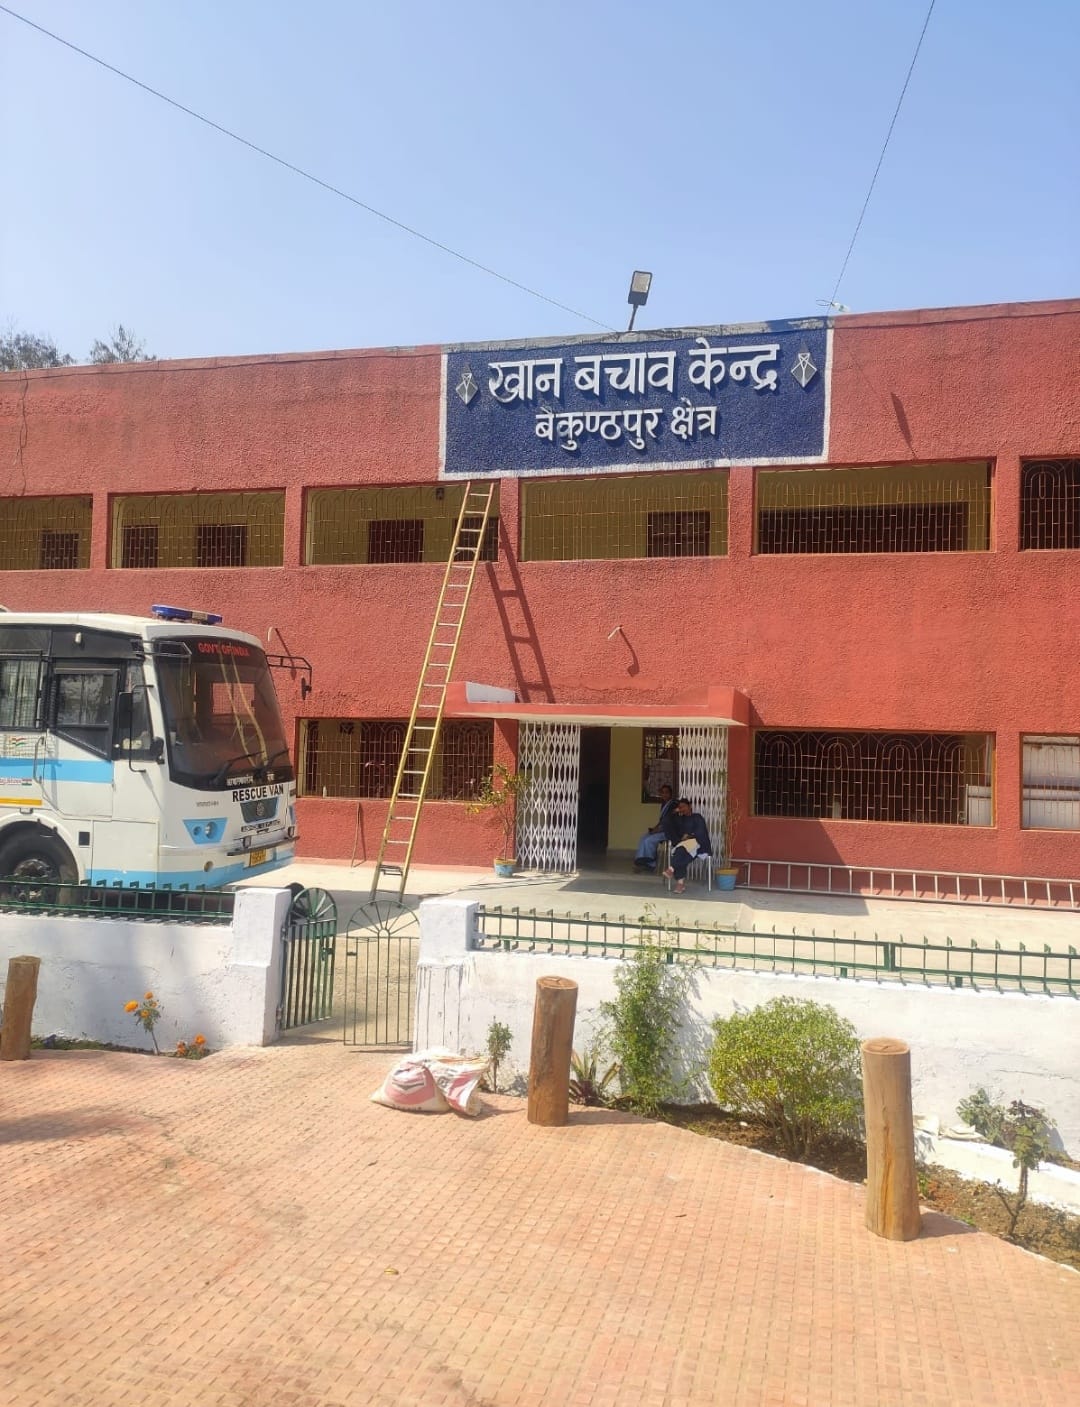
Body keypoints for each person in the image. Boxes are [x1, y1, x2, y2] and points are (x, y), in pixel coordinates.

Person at [663, 798, 712, 894]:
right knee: (680, 851)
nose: (682, 809)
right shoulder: (680, 819)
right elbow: (666, 822)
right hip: (684, 845)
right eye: (680, 807)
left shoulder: (697, 817)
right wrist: (674, 812)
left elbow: (701, 832)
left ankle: (672, 870)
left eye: (684, 806)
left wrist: (689, 836)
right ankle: (679, 883)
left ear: (690, 806)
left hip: (698, 844)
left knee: (680, 852)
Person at [632, 784, 677, 872]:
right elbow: (661, 821)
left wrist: (656, 830)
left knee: (649, 840)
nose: (664, 794)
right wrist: (654, 829)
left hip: (669, 832)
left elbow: (668, 821)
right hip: (661, 830)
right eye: (662, 793)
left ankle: (651, 864)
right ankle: (640, 862)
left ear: (670, 794)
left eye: (666, 792)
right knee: (643, 838)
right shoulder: (664, 804)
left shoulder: (673, 805)